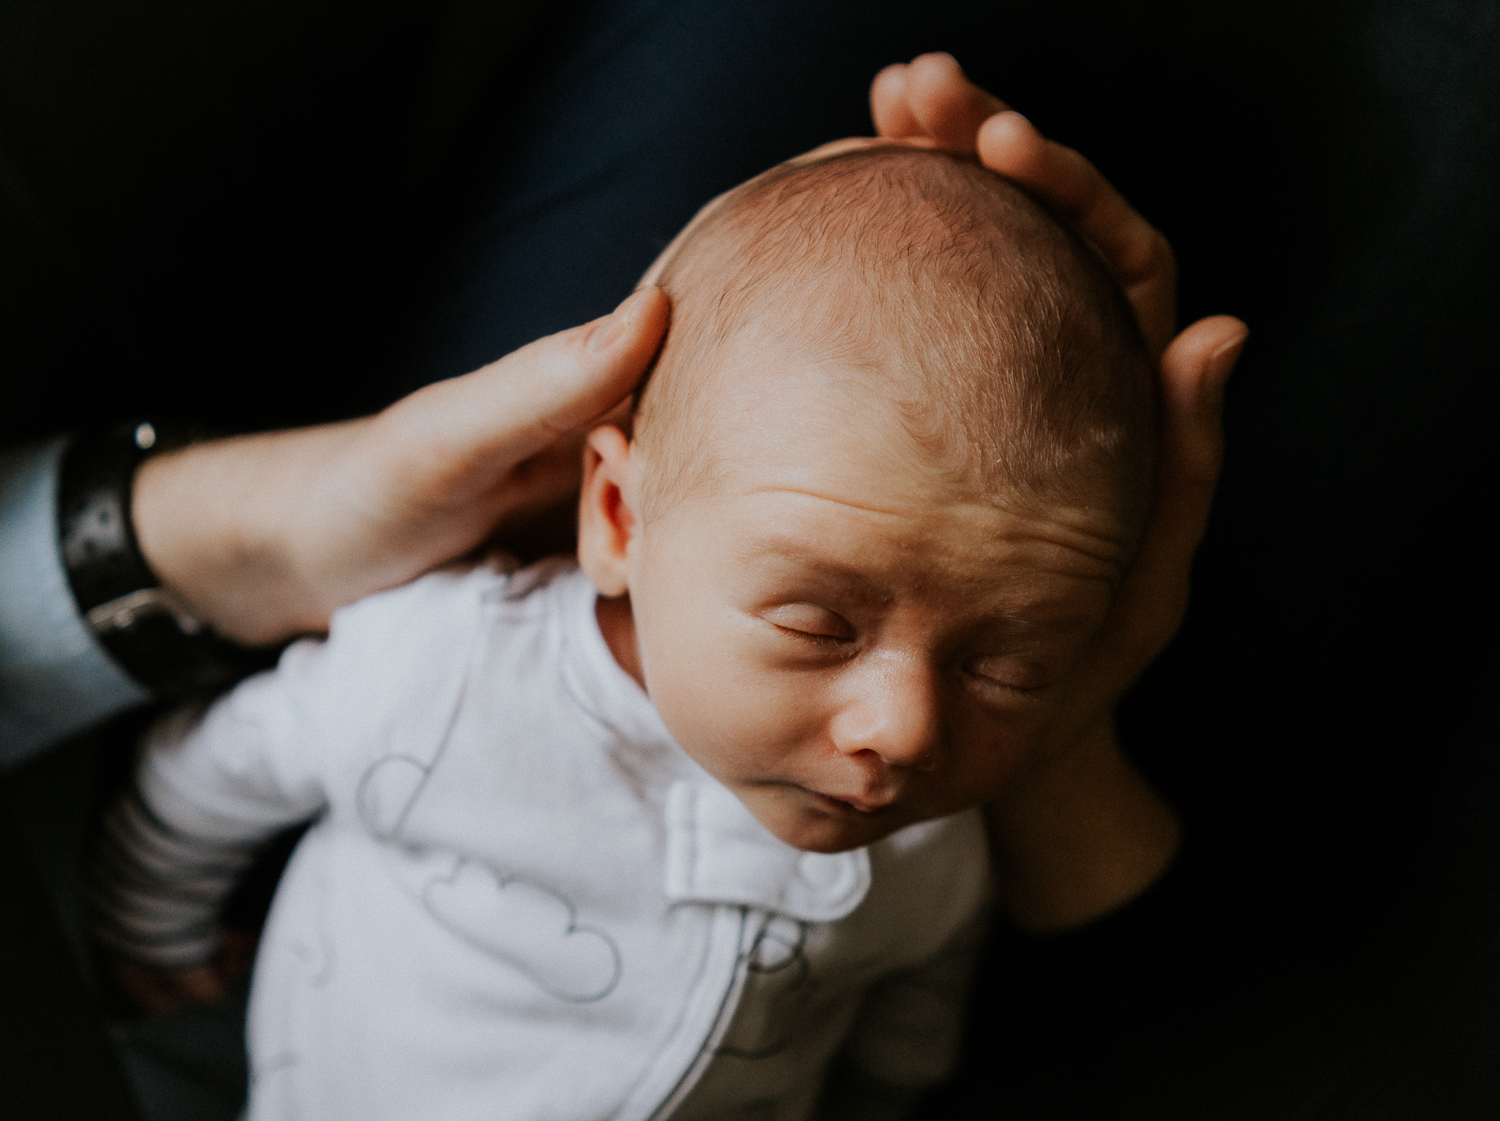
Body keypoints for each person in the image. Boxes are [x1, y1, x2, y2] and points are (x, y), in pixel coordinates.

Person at [85, 140, 1242, 1121]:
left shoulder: (935, 834)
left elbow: (919, 979)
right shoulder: (450, 670)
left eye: (1013, 661)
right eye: (817, 622)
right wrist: (152, 938)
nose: (907, 728)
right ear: (619, 515)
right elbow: (212, 768)